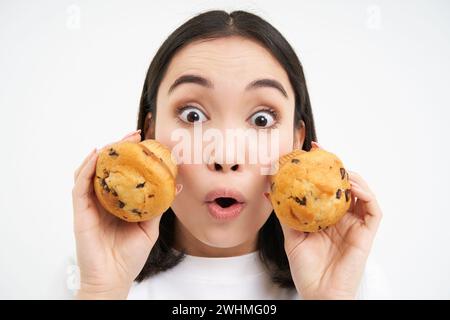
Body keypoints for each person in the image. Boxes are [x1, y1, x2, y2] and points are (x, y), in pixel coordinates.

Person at [71, 10, 384, 300]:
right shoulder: (87, 278)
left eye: (262, 119)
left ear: (297, 143)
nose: (226, 155)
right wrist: (103, 290)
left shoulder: (354, 282)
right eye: (192, 116)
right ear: (149, 135)